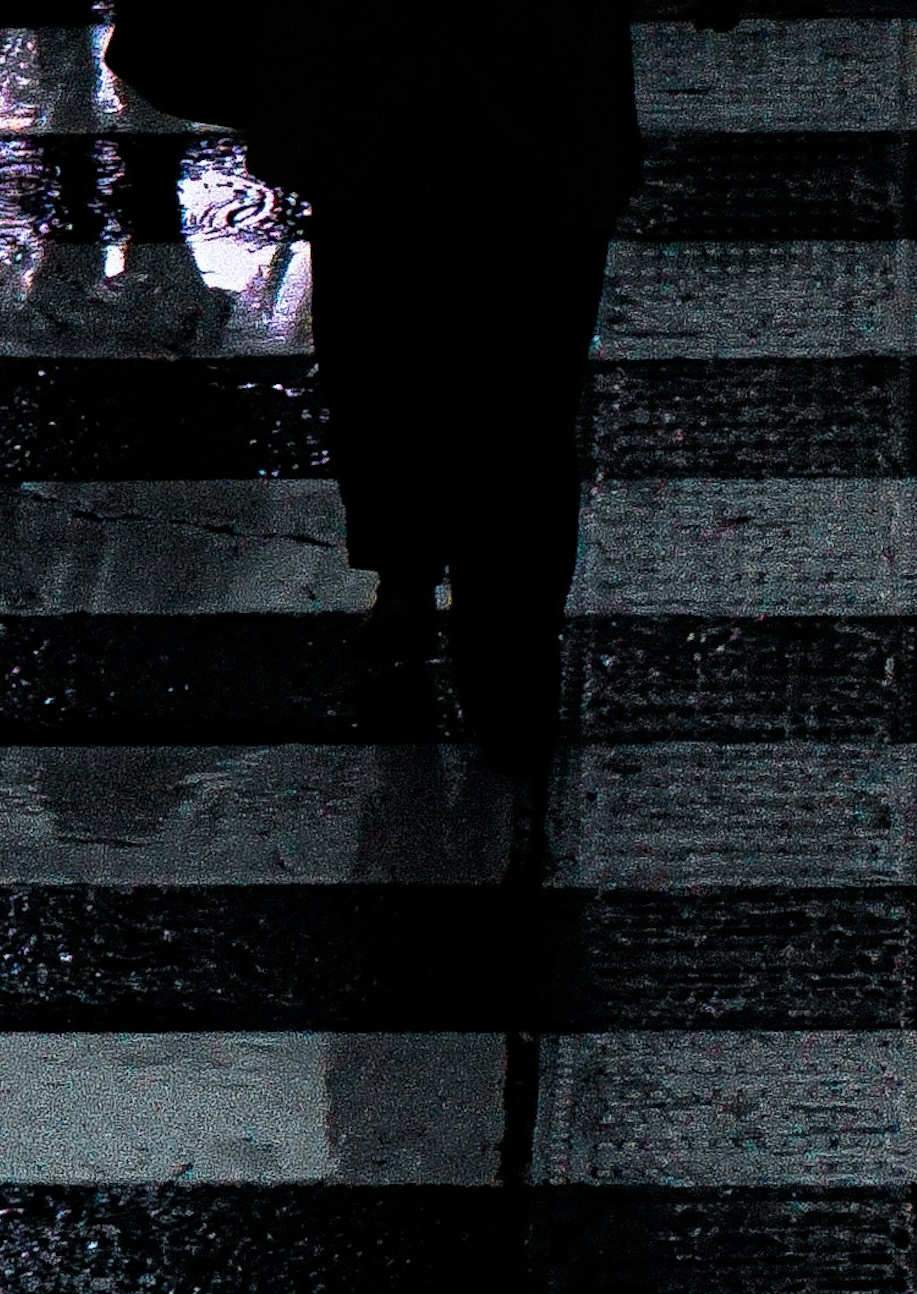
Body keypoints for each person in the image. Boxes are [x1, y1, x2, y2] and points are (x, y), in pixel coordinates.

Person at [245, 3, 647, 757]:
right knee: (522, 402)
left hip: (375, 103)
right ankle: (506, 665)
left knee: (384, 360)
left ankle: (408, 566)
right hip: (538, 114)